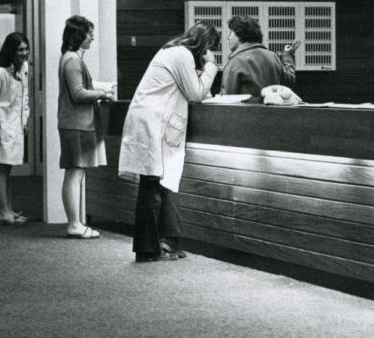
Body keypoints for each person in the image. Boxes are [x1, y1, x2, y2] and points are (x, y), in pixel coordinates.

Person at [118, 22, 218, 262]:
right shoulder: (182, 55)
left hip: (150, 121)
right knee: (151, 187)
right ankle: (147, 249)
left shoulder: (171, 51)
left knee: (153, 185)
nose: (206, 55)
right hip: (153, 123)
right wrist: (213, 66)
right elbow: (195, 93)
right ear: (203, 45)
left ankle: (153, 247)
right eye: (209, 49)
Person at [58, 15, 113, 239]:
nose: (92, 37)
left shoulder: (71, 58)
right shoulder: (72, 59)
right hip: (77, 124)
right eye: (90, 33)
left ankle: (75, 222)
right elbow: (78, 93)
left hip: (76, 123)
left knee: (76, 172)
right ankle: (73, 223)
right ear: (79, 35)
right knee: (75, 172)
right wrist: (102, 93)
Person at [0, 32, 31, 224]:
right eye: (20, 50)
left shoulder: (23, 68)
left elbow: (25, 97)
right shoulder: (0, 73)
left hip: (14, 125)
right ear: (12, 51)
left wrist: (24, 121)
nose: (24, 53)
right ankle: (3, 211)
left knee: (8, 167)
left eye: (26, 49)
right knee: (1, 167)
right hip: (1, 125)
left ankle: (8, 209)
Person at [219, 15, 297, 101]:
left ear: (240, 34)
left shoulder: (235, 62)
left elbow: (227, 99)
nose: (228, 37)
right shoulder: (273, 56)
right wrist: (288, 55)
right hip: (273, 113)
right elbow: (289, 81)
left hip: (245, 113)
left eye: (231, 33)